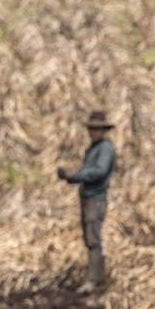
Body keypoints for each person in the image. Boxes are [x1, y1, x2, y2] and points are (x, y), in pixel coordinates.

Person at [56, 110, 117, 293]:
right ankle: (97, 278)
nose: (93, 132)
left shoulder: (104, 148)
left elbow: (98, 171)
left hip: (96, 198)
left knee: (93, 240)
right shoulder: (94, 148)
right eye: (91, 129)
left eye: (97, 129)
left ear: (103, 130)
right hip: (89, 198)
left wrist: (74, 176)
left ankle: (93, 281)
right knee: (91, 239)